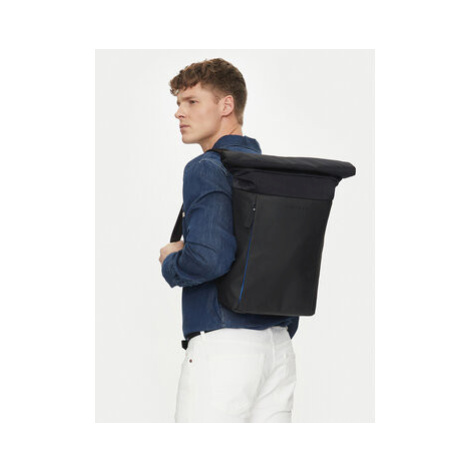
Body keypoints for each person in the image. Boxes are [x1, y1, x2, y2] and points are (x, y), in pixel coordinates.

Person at [159, 58, 299, 423]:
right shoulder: (272, 170)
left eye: (192, 101)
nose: (179, 113)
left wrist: (171, 260)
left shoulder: (207, 167)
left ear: (226, 105)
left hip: (223, 348)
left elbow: (209, 258)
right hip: (278, 346)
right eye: (179, 103)